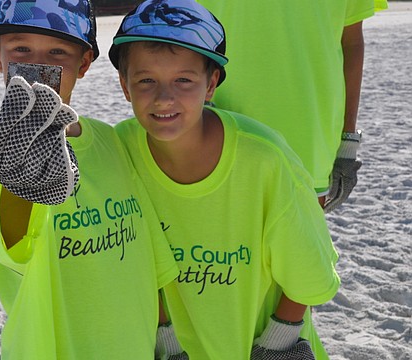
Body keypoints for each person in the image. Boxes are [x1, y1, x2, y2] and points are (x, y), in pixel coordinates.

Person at [108, 0, 341, 358]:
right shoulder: (120, 152)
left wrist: (278, 341)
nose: (164, 97)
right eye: (146, 80)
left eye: (184, 80)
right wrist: (166, 341)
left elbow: (309, 270)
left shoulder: (265, 158)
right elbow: (136, 258)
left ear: (211, 82)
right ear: (125, 85)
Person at [0, 0, 180, 357]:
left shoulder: (111, 140)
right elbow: (12, 245)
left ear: (83, 63)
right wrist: (21, 186)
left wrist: (166, 338)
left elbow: (147, 253)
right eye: (21, 48)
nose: (39, 64)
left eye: (57, 51)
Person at [195, 0, 387, 212]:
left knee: (297, 245)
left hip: (308, 139)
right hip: (214, 128)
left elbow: (351, 42)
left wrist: (348, 141)